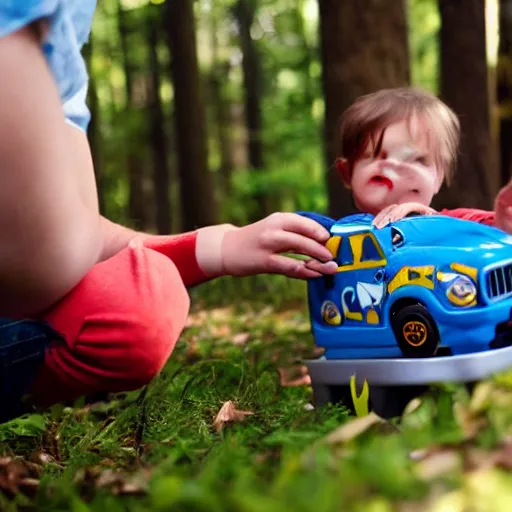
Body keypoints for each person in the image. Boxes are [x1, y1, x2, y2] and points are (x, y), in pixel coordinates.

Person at [0, 2, 337, 421]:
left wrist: (218, 247)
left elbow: (74, 228)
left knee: (139, 303)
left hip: (27, 313)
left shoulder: (66, 39)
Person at [326, 86, 512, 232]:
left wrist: (503, 225)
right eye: (376, 155)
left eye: (418, 160)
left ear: (439, 177)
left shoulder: (453, 226)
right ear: (347, 173)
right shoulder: (333, 236)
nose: (395, 166)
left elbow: (488, 231)